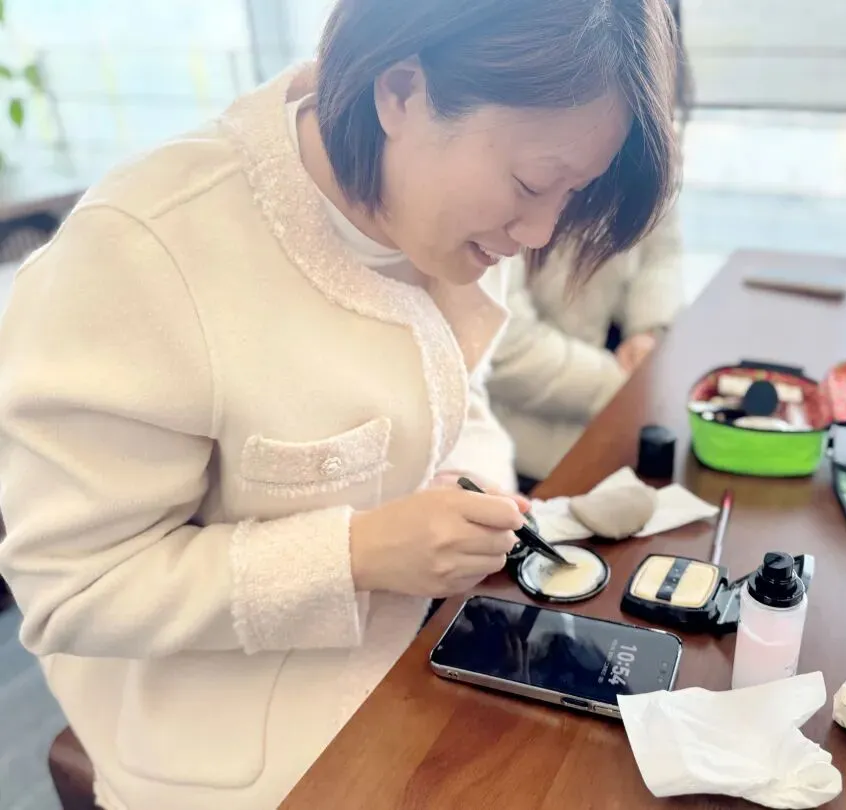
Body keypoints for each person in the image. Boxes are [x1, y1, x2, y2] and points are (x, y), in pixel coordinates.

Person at [0, 1, 680, 808]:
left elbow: (456, 391)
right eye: (533, 183)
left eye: (572, 193)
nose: (538, 232)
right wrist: (354, 555)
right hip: (231, 740)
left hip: (417, 651)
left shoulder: (450, 211)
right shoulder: (141, 257)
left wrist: (474, 484)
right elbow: (76, 591)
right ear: (402, 92)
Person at [487, 13, 692, 485]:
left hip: (617, 411)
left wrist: (650, 332)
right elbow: (502, 343)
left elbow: (662, 252)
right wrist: (620, 384)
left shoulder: (643, 122)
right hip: (524, 443)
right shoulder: (529, 123)